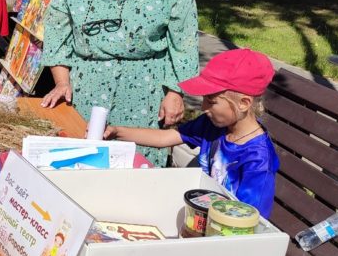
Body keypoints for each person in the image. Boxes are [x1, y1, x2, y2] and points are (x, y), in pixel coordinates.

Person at [39, 0, 199, 167]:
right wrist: (62, 81)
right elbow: (56, 27)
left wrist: (175, 92)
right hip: (85, 89)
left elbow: (184, 39)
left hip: (144, 94)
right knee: (81, 167)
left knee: (136, 171)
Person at [104, 49, 279, 217]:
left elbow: (251, 220)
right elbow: (166, 137)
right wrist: (117, 132)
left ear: (243, 103)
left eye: (211, 101)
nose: (203, 108)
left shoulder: (259, 160)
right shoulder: (213, 126)